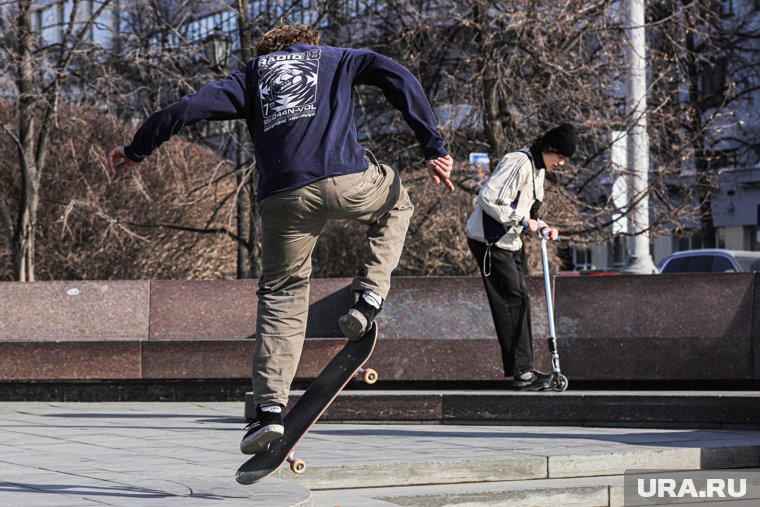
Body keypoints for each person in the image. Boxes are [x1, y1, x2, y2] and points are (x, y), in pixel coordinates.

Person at [107, 24, 453, 453]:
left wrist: (137, 149)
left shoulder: (251, 75)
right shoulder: (337, 57)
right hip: (347, 179)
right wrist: (432, 145)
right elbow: (397, 74)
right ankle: (368, 299)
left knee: (282, 294)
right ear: (308, 42)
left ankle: (268, 413)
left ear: (269, 50)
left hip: (283, 197)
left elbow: (186, 108)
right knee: (397, 202)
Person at [465, 124, 575, 391]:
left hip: (509, 242)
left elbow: (527, 212)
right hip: (489, 241)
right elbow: (489, 198)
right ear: (549, 148)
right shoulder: (519, 161)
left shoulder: (538, 170)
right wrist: (525, 222)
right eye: (560, 157)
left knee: (519, 299)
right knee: (513, 300)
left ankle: (524, 370)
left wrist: (543, 226)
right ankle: (522, 373)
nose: (561, 163)